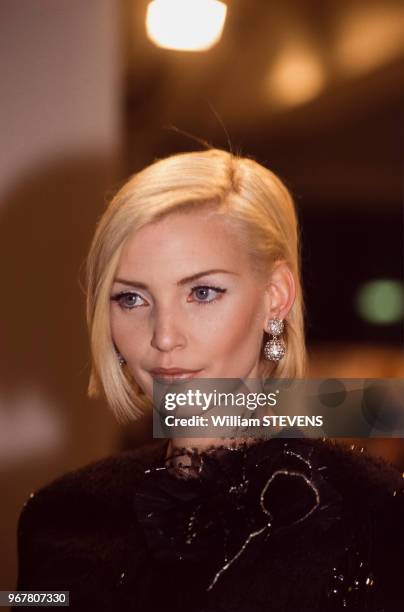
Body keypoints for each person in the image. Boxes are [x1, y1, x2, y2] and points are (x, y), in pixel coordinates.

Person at [14, 149, 404, 611]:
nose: (163, 337)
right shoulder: (62, 518)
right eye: (131, 299)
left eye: (202, 292)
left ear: (275, 297)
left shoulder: (379, 518)